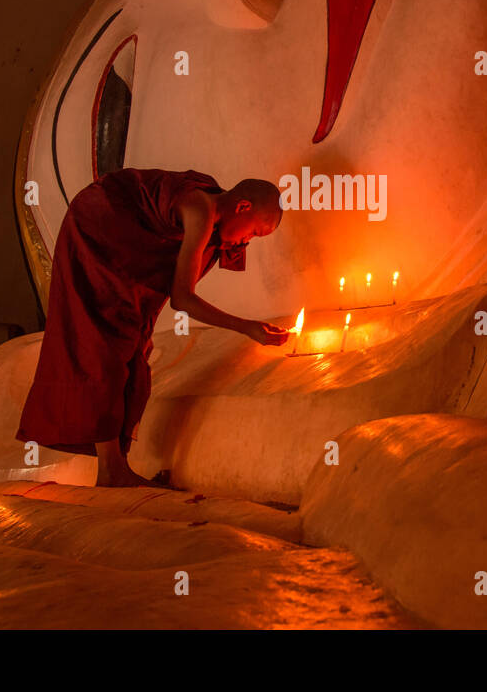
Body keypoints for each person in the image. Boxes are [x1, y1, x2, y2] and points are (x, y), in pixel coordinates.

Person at [16, 168, 289, 486]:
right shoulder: (200, 209)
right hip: (99, 229)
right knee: (103, 345)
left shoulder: (210, 215)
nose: (245, 243)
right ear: (242, 207)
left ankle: (116, 468)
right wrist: (247, 327)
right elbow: (182, 299)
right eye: (254, 233)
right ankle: (111, 471)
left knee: (136, 348)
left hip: (122, 244)